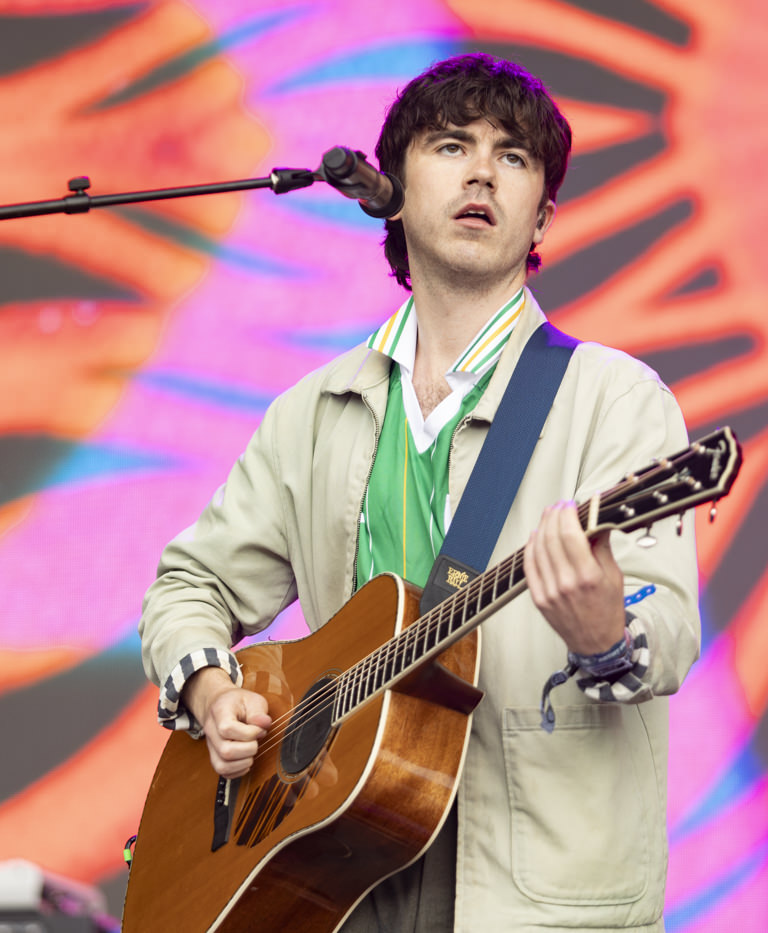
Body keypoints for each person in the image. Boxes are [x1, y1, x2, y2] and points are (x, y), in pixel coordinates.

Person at [139, 53, 701, 932]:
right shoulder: (312, 413)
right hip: (336, 874)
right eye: (451, 146)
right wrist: (213, 695)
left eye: (514, 158)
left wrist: (605, 634)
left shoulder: (616, 400)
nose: (482, 171)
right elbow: (188, 588)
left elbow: (661, 629)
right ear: (393, 188)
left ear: (542, 213)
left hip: (531, 897)